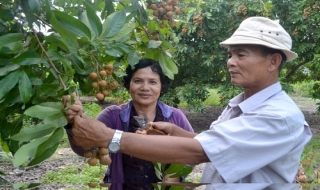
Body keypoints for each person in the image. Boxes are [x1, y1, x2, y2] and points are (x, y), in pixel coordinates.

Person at [65, 17, 312, 189]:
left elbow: (200, 152)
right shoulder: (239, 105)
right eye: (230, 55)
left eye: (241, 54)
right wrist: (179, 133)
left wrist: (110, 137)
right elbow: (218, 145)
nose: (230, 62)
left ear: (273, 61)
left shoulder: (278, 116)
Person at [63, 58, 194, 190]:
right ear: (129, 84)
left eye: (153, 82)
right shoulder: (113, 116)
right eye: (138, 81)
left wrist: (176, 174)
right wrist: (73, 122)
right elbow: (87, 149)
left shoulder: (175, 117)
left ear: (162, 87)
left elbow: (195, 149)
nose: (145, 88)